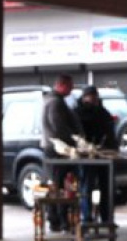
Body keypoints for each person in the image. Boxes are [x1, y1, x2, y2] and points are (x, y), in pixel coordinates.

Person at [41, 74, 84, 232]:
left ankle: (57, 220)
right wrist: (75, 142)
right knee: (62, 187)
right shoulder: (55, 102)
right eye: (70, 86)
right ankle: (60, 220)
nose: (72, 89)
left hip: (54, 149)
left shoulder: (53, 100)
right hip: (58, 150)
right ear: (61, 85)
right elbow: (59, 127)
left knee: (57, 186)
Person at [73, 85, 116, 225]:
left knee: (107, 187)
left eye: (95, 96)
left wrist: (112, 148)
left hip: (103, 154)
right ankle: (86, 217)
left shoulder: (102, 112)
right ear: (85, 97)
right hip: (86, 155)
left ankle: (106, 217)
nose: (94, 99)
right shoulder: (78, 113)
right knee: (86, 186)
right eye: (91, 96)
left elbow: (110, 131)